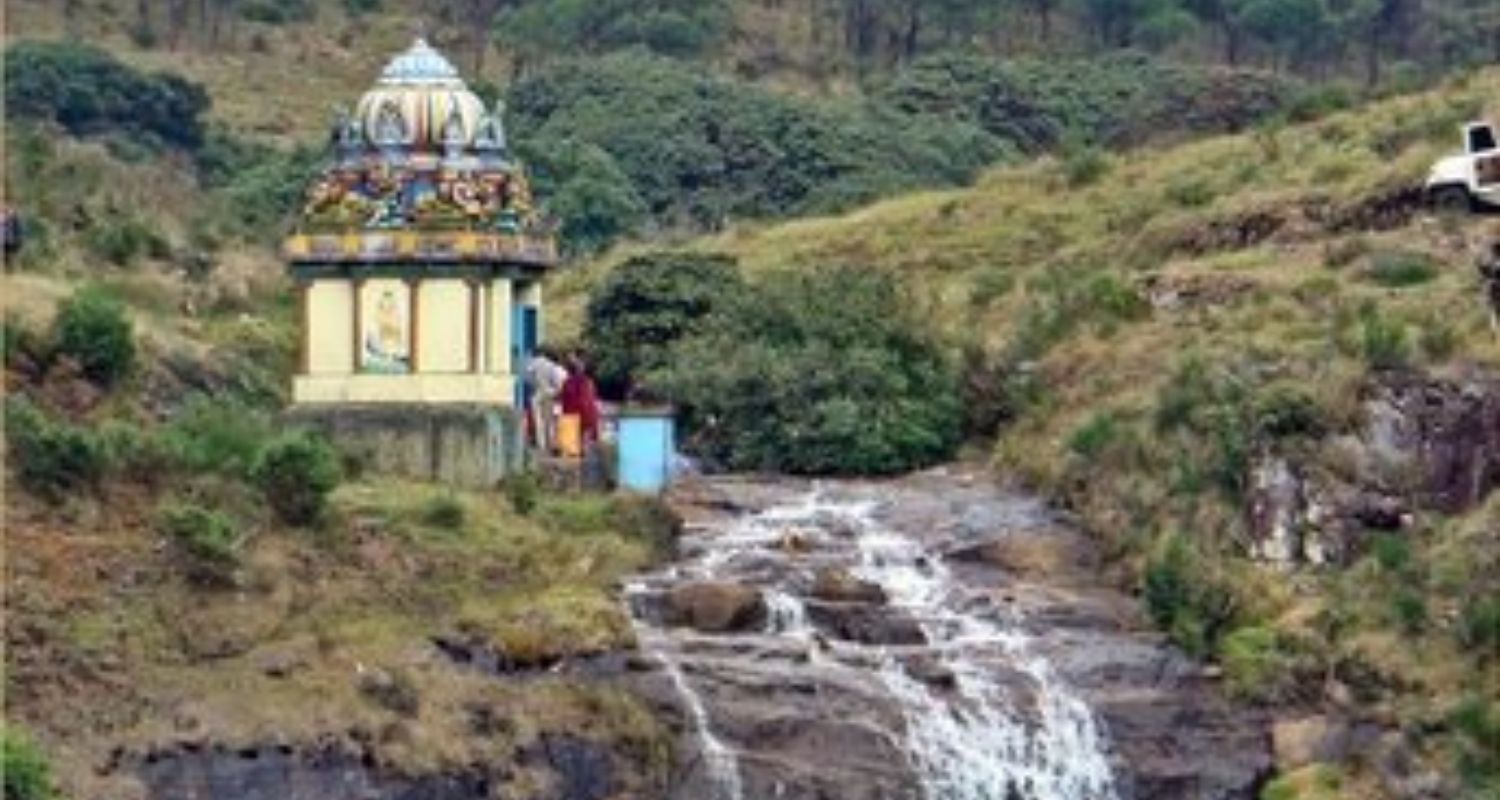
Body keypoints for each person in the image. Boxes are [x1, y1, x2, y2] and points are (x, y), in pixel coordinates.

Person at [525, 347, 567, 454]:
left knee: (538, 420)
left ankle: (541, 444)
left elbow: (528, 378)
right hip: (549, 393)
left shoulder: (532, 364)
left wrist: (534, 385)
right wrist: (555, 392)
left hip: (537, 393)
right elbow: (557, 383)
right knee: (549, 420)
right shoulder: (551, 365)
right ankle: (551, 443)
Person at [559, 352, 601, 445]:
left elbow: (564, 396)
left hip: (573, 410)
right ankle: (583, 447)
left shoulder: (568, 382)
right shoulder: (587, 381)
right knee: (584, 429)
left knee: (577, 429)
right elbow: (591, 396)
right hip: (584, 409)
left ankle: (577, 447)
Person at [1480, 240, 1500, 335]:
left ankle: (1494, 330)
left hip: (1490, 287)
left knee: (1492, 311)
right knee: (1493, 310)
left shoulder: (1487, 261)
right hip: (1493, 287)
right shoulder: (1492, 261)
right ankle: (1494, 330)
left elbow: (1482, 273)